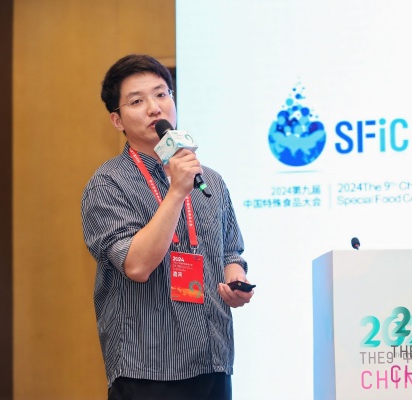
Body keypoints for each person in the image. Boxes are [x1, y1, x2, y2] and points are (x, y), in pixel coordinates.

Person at [81, 54, 254, 400]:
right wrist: (176, 192)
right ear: (117, 120)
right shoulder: (108, 184)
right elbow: (136, 265)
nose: (154, 108)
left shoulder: (209, 180)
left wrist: (236, 281)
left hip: (212, 359)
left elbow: (230, 252)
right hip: (148, 368)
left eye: (162, 94)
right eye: (137, 101)